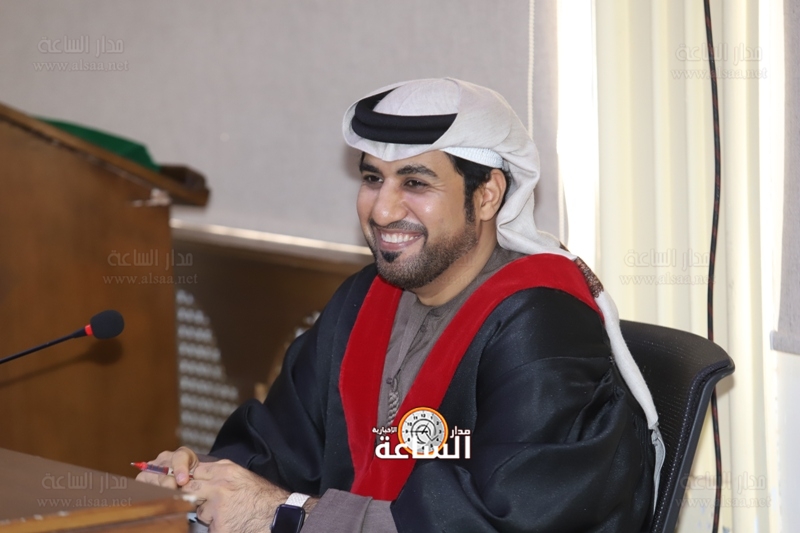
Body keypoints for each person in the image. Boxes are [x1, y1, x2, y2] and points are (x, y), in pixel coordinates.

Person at [138, 78, 663, 533]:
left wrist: (287, 514)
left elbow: (504, 519)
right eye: (373, 179)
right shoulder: (363, 300)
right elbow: (276, 446)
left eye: (415, 182)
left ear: (487, 195)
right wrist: (202, 478)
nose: (383, 209)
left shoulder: (542, 322)